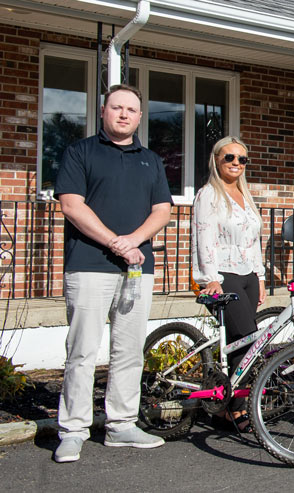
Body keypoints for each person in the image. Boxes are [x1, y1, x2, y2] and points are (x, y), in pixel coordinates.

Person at [53, 84, 172, 462]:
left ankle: (121, 424)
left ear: (140, 117)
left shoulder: (150, 160)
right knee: (82, 351)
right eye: (116, 108)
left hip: (137, 268)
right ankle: (72, 429)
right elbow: (72, 206)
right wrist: (114, 242)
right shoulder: (80, 152)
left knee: (129, 351)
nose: (123, 114)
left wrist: (133, 241)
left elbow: (162, 211)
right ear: (104, 112)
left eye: (131, 110)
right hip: (89, 266)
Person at [191, 136, 265, 431]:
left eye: (242, 159)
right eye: (229, 158)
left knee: (242, 344)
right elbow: (203, 239)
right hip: (222, 276)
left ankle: (224, 410)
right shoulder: (208, 195)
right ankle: (235, 409)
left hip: (247, 275)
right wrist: (210, 279)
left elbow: (254, 241)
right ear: (216, 160)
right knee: (247, 338)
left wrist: (259, 277)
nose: (236, 163)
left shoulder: (245, 197)